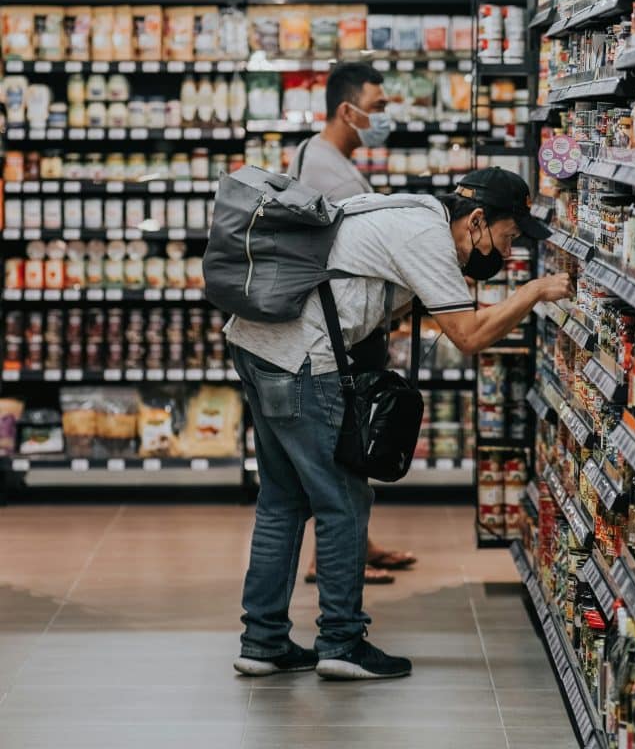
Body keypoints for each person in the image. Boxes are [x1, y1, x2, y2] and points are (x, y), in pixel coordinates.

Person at [228, 161, 572, 681]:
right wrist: (534, 291)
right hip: (302, 362)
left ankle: (263, 642)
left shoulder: (410, 209)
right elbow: (470, 335)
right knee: (343, 501)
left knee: (283, 499)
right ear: (476, 220)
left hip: (257, 346)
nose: (508, 252)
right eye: (508, 236)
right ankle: (341, 642)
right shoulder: (427, 236)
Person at [290, 62, 416, 586]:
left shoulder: (313, 152)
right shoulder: (336, 174)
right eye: (379, 106)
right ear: (349, 110)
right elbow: (366, 257)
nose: (385, 116)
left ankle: (357, 545)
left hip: (329, 324)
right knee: (348, 445)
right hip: (341, 331)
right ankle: (336, 560)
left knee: (345, 447)